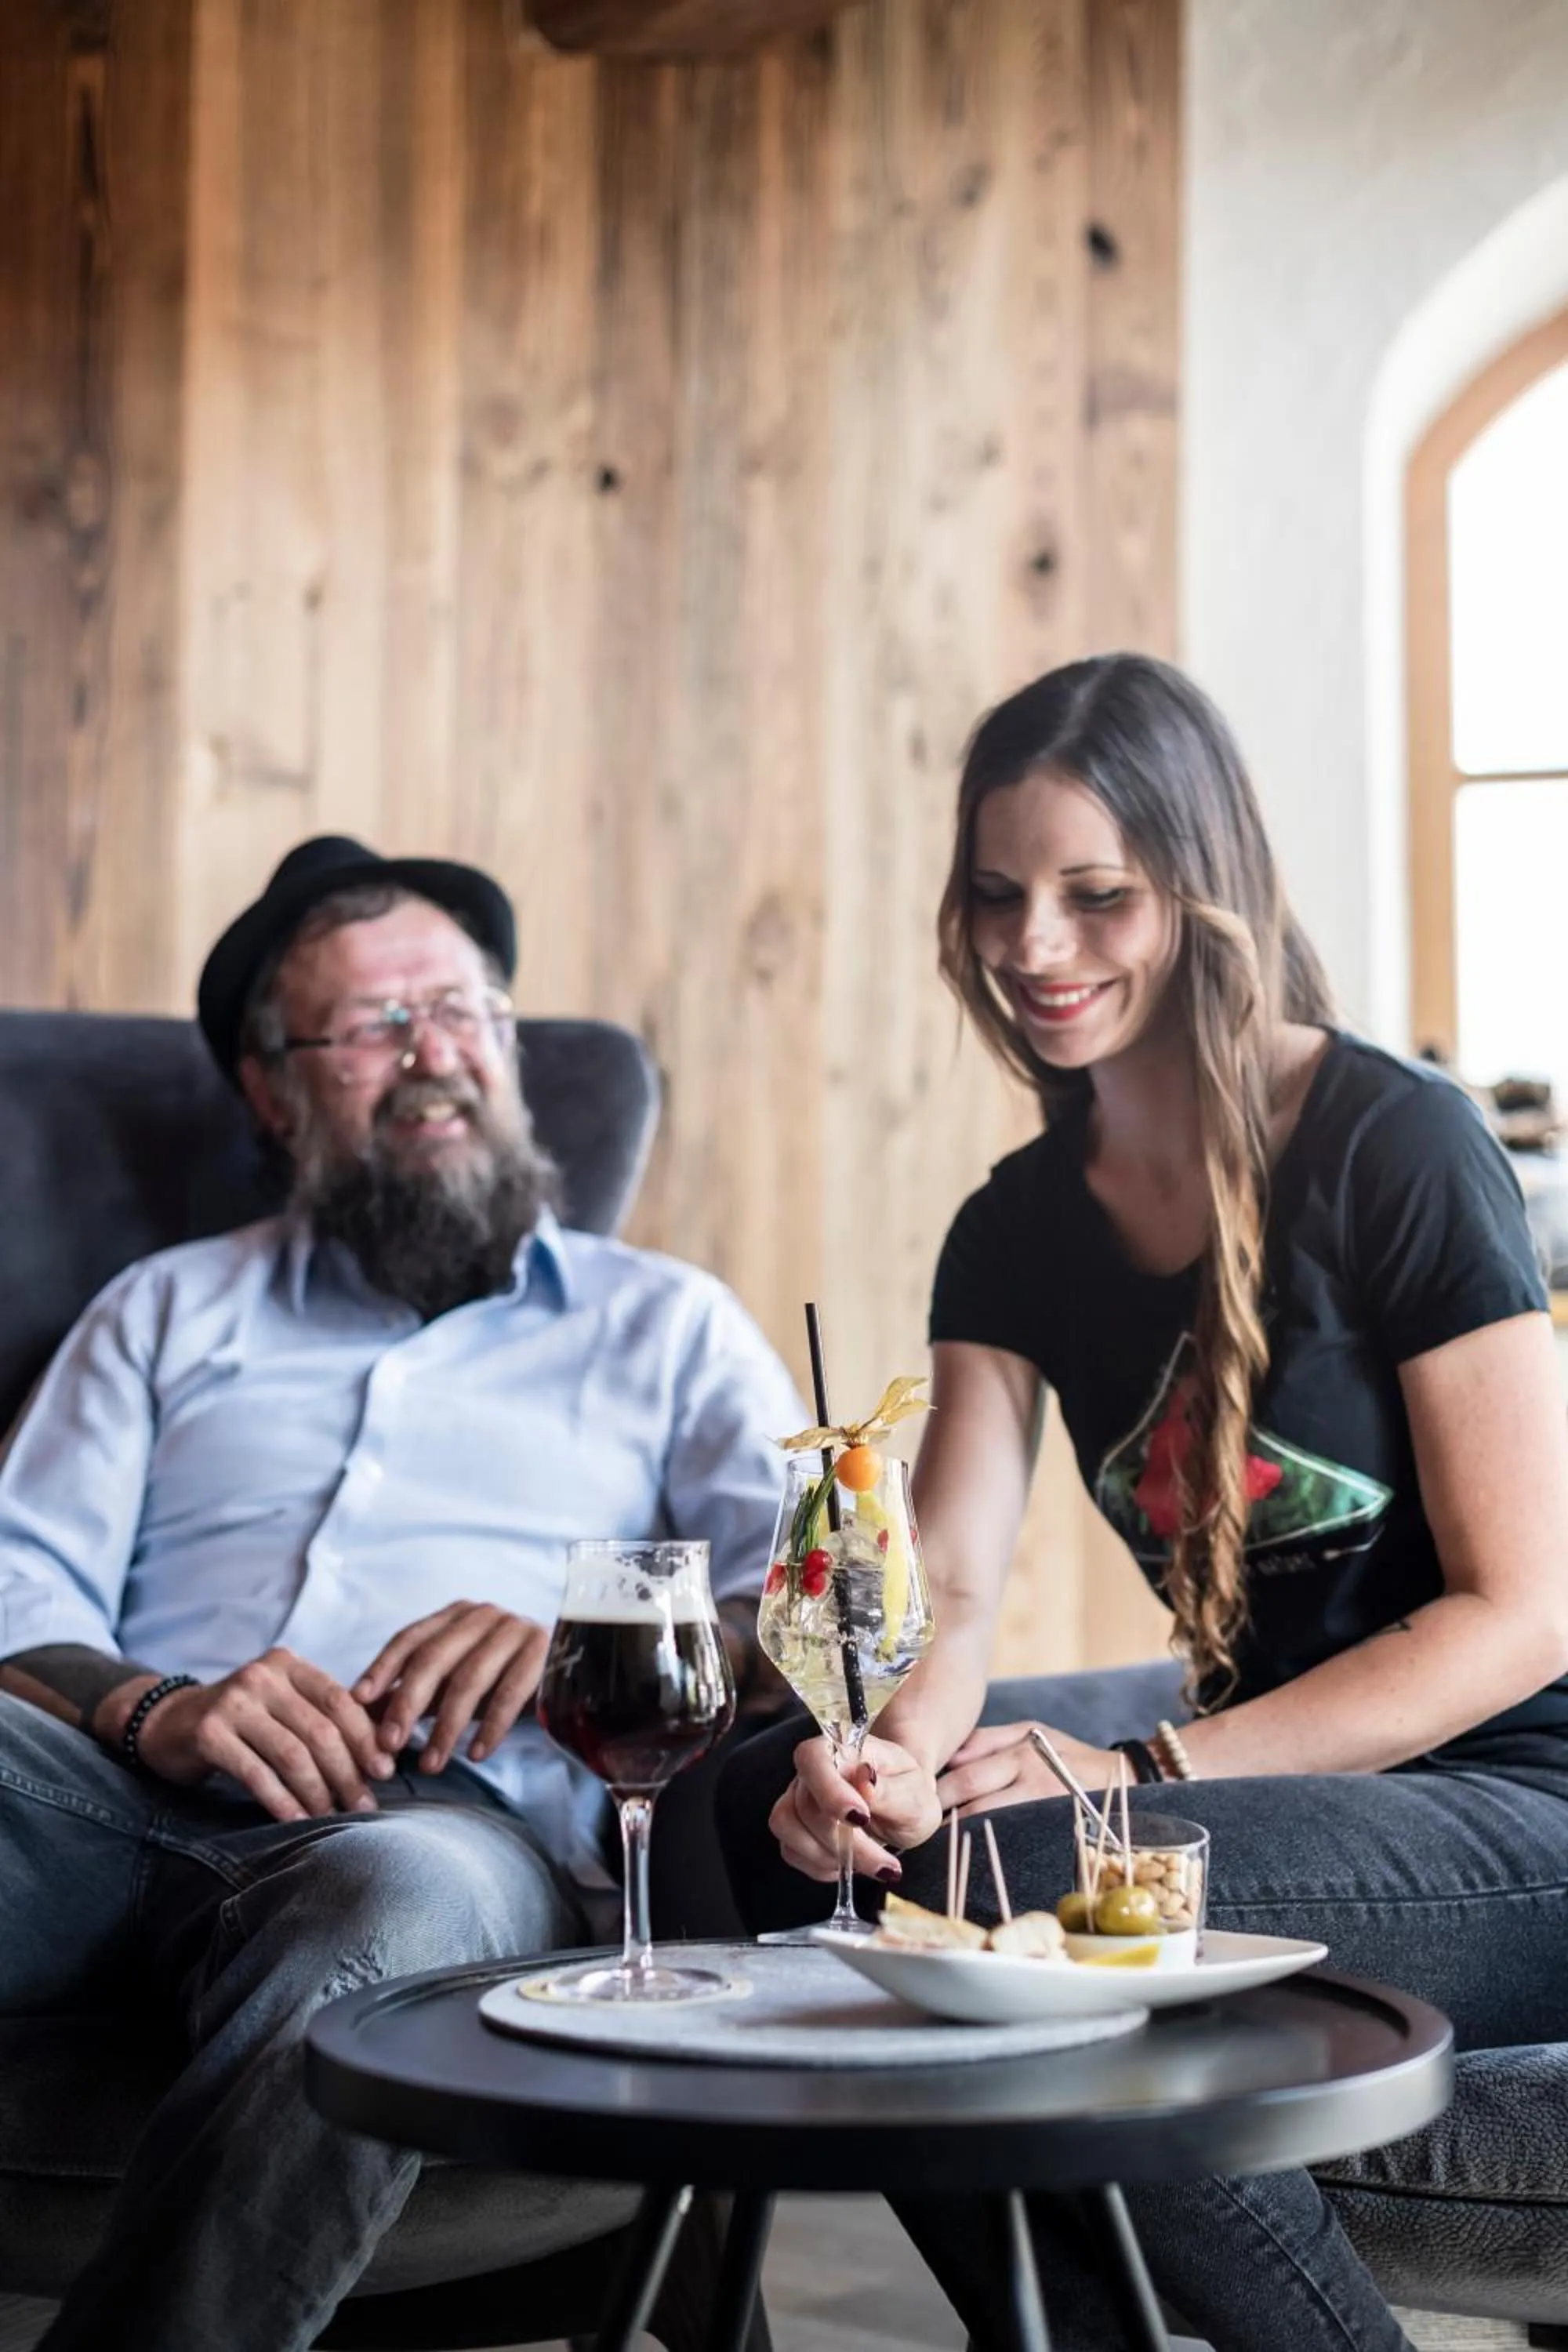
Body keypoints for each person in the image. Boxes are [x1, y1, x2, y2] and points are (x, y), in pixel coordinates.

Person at [717, 654, 1568, 2351]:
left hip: (1521, 1804)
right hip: (1283, 1799)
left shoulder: (1397, 1144)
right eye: (996, 895)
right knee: (774, 1825)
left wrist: (1141, 1769)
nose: (1034, 947)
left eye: (1096, 897)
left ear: (1205, 889)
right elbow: (950, 1593)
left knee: (1010, 1882)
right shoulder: (1015, 1223)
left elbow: (1523, 1610)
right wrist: (879, 1760)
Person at [0, 834, 803, 2352]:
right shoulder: (167, 1308)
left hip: (441, 1829)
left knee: (401, 1903)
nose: (431, 1057)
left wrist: (598, 1640)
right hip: (123, 1796)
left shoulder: (668, 1327)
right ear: (273, 1088)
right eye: (374, 1027)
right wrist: (151, 1707)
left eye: (462, 1011)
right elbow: (14, 1581)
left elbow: (806, 1611)